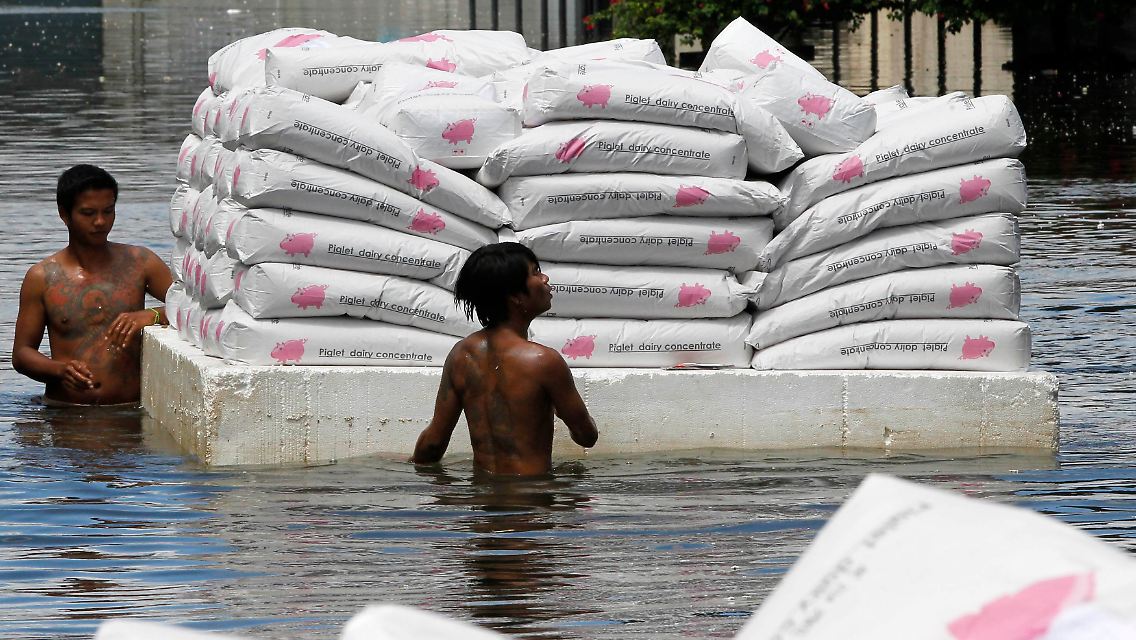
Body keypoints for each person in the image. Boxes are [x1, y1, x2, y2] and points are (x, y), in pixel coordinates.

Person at [412, 242, 598, 476]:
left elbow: (432, 445)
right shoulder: (543, 361)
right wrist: (572, 415)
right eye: (535, 272)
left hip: (482, 502)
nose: (545, 278)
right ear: (515, 297)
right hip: (532, 502)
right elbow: (586, 437)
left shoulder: (461, 354)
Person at [12, 164, 174, 406]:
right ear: (64, 214)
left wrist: (151, 315)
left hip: (128, 413)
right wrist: (59, 370)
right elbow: (22, 354)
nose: (100, 221)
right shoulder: (42, 277)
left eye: (108, 211)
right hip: (65, 414)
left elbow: (193, 308)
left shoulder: (141, 263)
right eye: (88, 213)